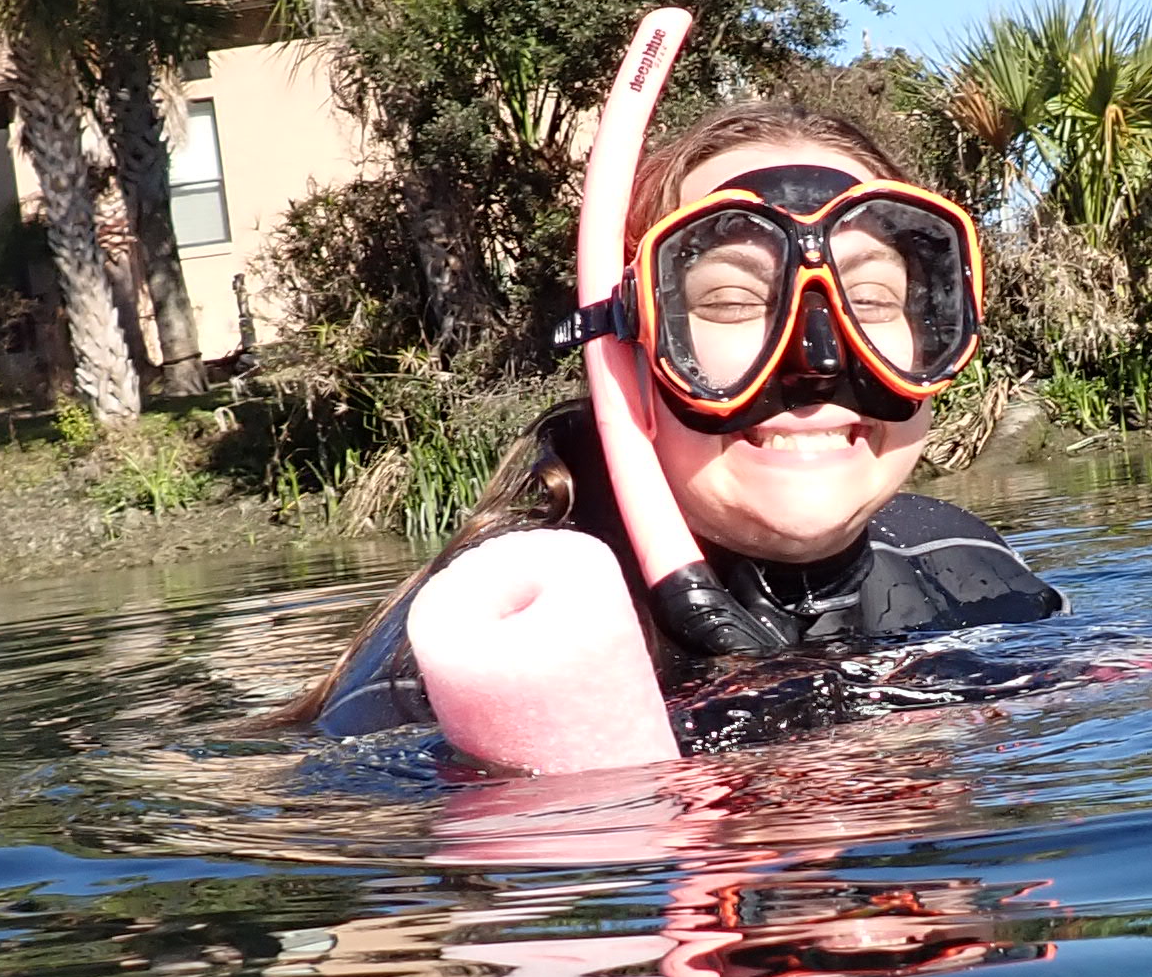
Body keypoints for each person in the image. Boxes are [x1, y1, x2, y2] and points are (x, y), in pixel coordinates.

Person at [302, 95, 1060, 739]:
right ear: (623, 350)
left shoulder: (962, 562)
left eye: (872, 302)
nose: (820, 360)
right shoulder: (477, 656)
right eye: (730, 302)